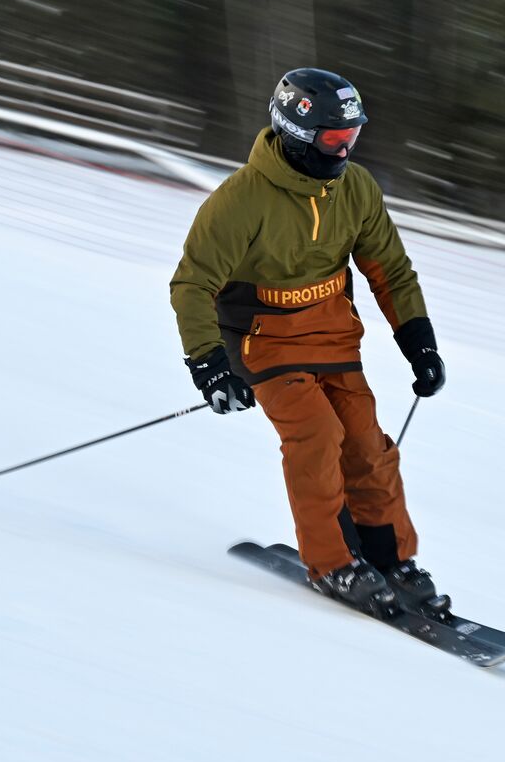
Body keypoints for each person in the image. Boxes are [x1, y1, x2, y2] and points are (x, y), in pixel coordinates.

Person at [170, 67, 445, 613]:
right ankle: (334, 563)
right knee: (318, 437)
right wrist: (209, 365)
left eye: (353, 137)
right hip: (262, 340)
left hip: (334, 336)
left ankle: (390, 558)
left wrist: (419, 340)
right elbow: (192, 284)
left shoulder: (357, 189)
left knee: (367, 444)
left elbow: (389, 268)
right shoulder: (240, 200)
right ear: (296, 133)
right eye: (333, 138)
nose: (345, 150)